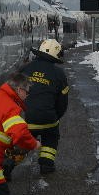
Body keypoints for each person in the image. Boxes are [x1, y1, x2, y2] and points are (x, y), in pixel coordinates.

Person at [17, 38, 69, 174]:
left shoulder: (24, 69)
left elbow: (13, 93)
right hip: (48, 119)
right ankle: (46, 164)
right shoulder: (59, 74)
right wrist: (54, 117)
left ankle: (7, 165)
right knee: (51, 136)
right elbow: (62, 103)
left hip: (26, 119)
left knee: (23, 142)